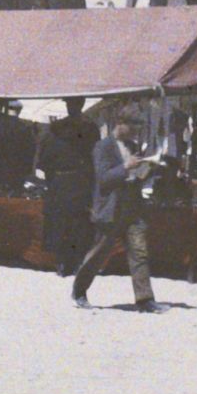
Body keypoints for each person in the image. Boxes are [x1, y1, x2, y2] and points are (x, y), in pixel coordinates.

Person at [71, 115, 159, 312]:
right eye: (133, 125)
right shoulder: (103, 147)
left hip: (132, 208)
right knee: (98, 254)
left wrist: (147, 169)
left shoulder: (133, 147)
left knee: (139, 253)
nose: (136, 130)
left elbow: (135, 179)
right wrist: (125, 167)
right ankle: (79, 291)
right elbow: (103, 179)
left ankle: (145, 300)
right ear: (120, 123)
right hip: (111, 209)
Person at [37, 98, 96, 278]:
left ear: (67, 106)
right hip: (81, 181)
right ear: (82, 105)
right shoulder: (90, 130)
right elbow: (94, 157)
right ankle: (77, 262)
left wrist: (52, 178)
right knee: (79, 223)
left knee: (60, 222)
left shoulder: (53, 130)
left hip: (59, 181)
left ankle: (62, 262)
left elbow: (44, 159)